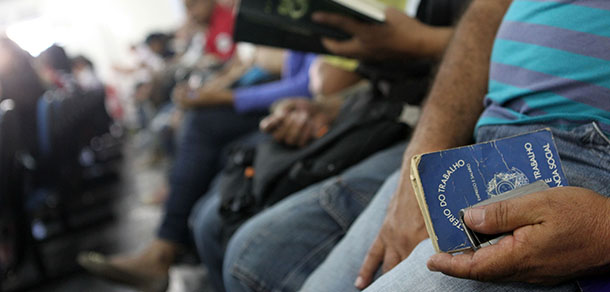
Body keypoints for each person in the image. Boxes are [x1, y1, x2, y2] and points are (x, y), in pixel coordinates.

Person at [299, 0, 610, 291]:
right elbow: (488, 9)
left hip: (583, 165)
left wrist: (603, 229)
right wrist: (424, 157)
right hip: (476, 141)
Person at [202, 1, 470, 291]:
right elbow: (340, 84)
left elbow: (325, 78)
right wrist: (329, 107)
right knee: (213, 221)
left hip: (425, 126)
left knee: (250, 257)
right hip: (380, 112)